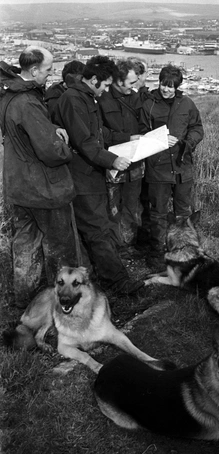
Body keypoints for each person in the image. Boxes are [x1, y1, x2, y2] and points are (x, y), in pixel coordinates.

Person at [53, 55, 142, 296]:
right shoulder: (73, 100)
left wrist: (125, 138)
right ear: (93, 79)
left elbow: (98, 133)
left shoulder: (85, 97)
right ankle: (117, 281)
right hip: (82, 177)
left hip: (91, 175)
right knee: (97, 228)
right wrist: (113, 159)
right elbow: (85, 141)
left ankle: (101, 277)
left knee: (96, 227)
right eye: (104, 85)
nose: (105, 90)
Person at [0, 47, 79, 308]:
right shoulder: (29, 101)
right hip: (44, 189)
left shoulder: (9, 95)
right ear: (34, 71)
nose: (51, 74)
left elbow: (22, 131)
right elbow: (50, 151)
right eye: (48, 70)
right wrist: (67, 149)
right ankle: (62, 302)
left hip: (18, 185)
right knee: (59, 247)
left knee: (25, 243)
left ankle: (25, 300)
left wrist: (50, 127)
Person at [138, 64, 204, 265]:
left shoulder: (187, 104)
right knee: (158, 212)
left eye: (171, 86)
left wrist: (188, 142)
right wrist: (158, 140)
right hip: (158, 167)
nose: (166, 89)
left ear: (178, 86)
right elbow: (140, 133)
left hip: (183, 165)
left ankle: (185, 250)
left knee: (183, 211)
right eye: (163, 84)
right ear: (158, 82)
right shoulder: (148, 104)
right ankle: (158, 253)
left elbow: (197, 128)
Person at [98, 58, 152, 251]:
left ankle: (128, 245)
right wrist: (126, 137)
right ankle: (114, 247)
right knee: (112, 208)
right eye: (130, 82)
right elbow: (99, 132)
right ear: (119, 81)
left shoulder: (135, 97)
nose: (134, 85)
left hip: (135, 165)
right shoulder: (101, 99)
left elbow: (144, 124)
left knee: (131, 206)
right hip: (113, 164)